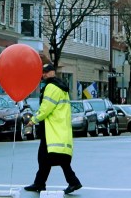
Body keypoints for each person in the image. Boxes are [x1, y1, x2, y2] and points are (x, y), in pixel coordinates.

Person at [24, 63, 83, 195]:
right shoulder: (61, 87)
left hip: (52, 129)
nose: (44, 75)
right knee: (46, 158)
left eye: (46, 72)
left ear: (52, 72)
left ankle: (72, 182)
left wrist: (32, 121)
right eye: (43, 72)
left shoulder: (51, 87)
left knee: (53, 158)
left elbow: (46, 108)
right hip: (58, 128)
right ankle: (40, 183)